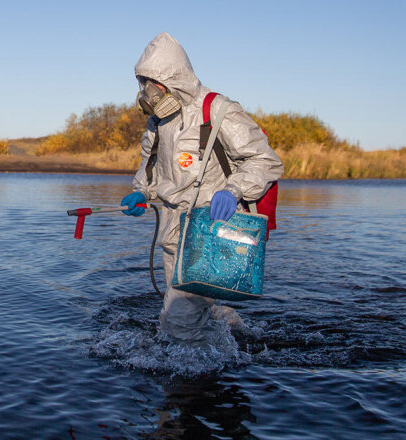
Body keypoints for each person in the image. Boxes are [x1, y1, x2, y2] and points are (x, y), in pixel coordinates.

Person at [121, 32, 284, 343]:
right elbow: (150, 167)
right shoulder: (157, 122)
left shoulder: (218, 110)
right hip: (172, 230)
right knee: (182, 309)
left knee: (177, 321)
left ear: (169, 79)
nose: (145, 92)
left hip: (210, 230)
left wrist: (233, 190)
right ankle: (226, 332)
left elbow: (266, 161)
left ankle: (195, 364)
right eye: (141, 83)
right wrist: (142, 191)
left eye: (150, 83)